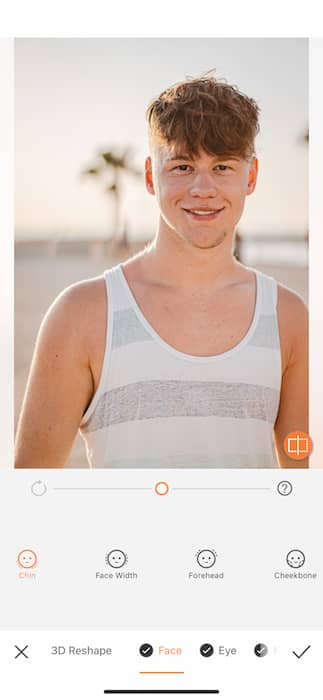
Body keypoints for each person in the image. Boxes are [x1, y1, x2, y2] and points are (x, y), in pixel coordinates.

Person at [15, 76, 308, 469]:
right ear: (152, 177)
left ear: (251, 177)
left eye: (222, 166)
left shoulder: (288, 319)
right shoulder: (81, 316)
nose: (203, 188)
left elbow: (300, 482)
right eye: (183, 166)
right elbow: (32, 494)